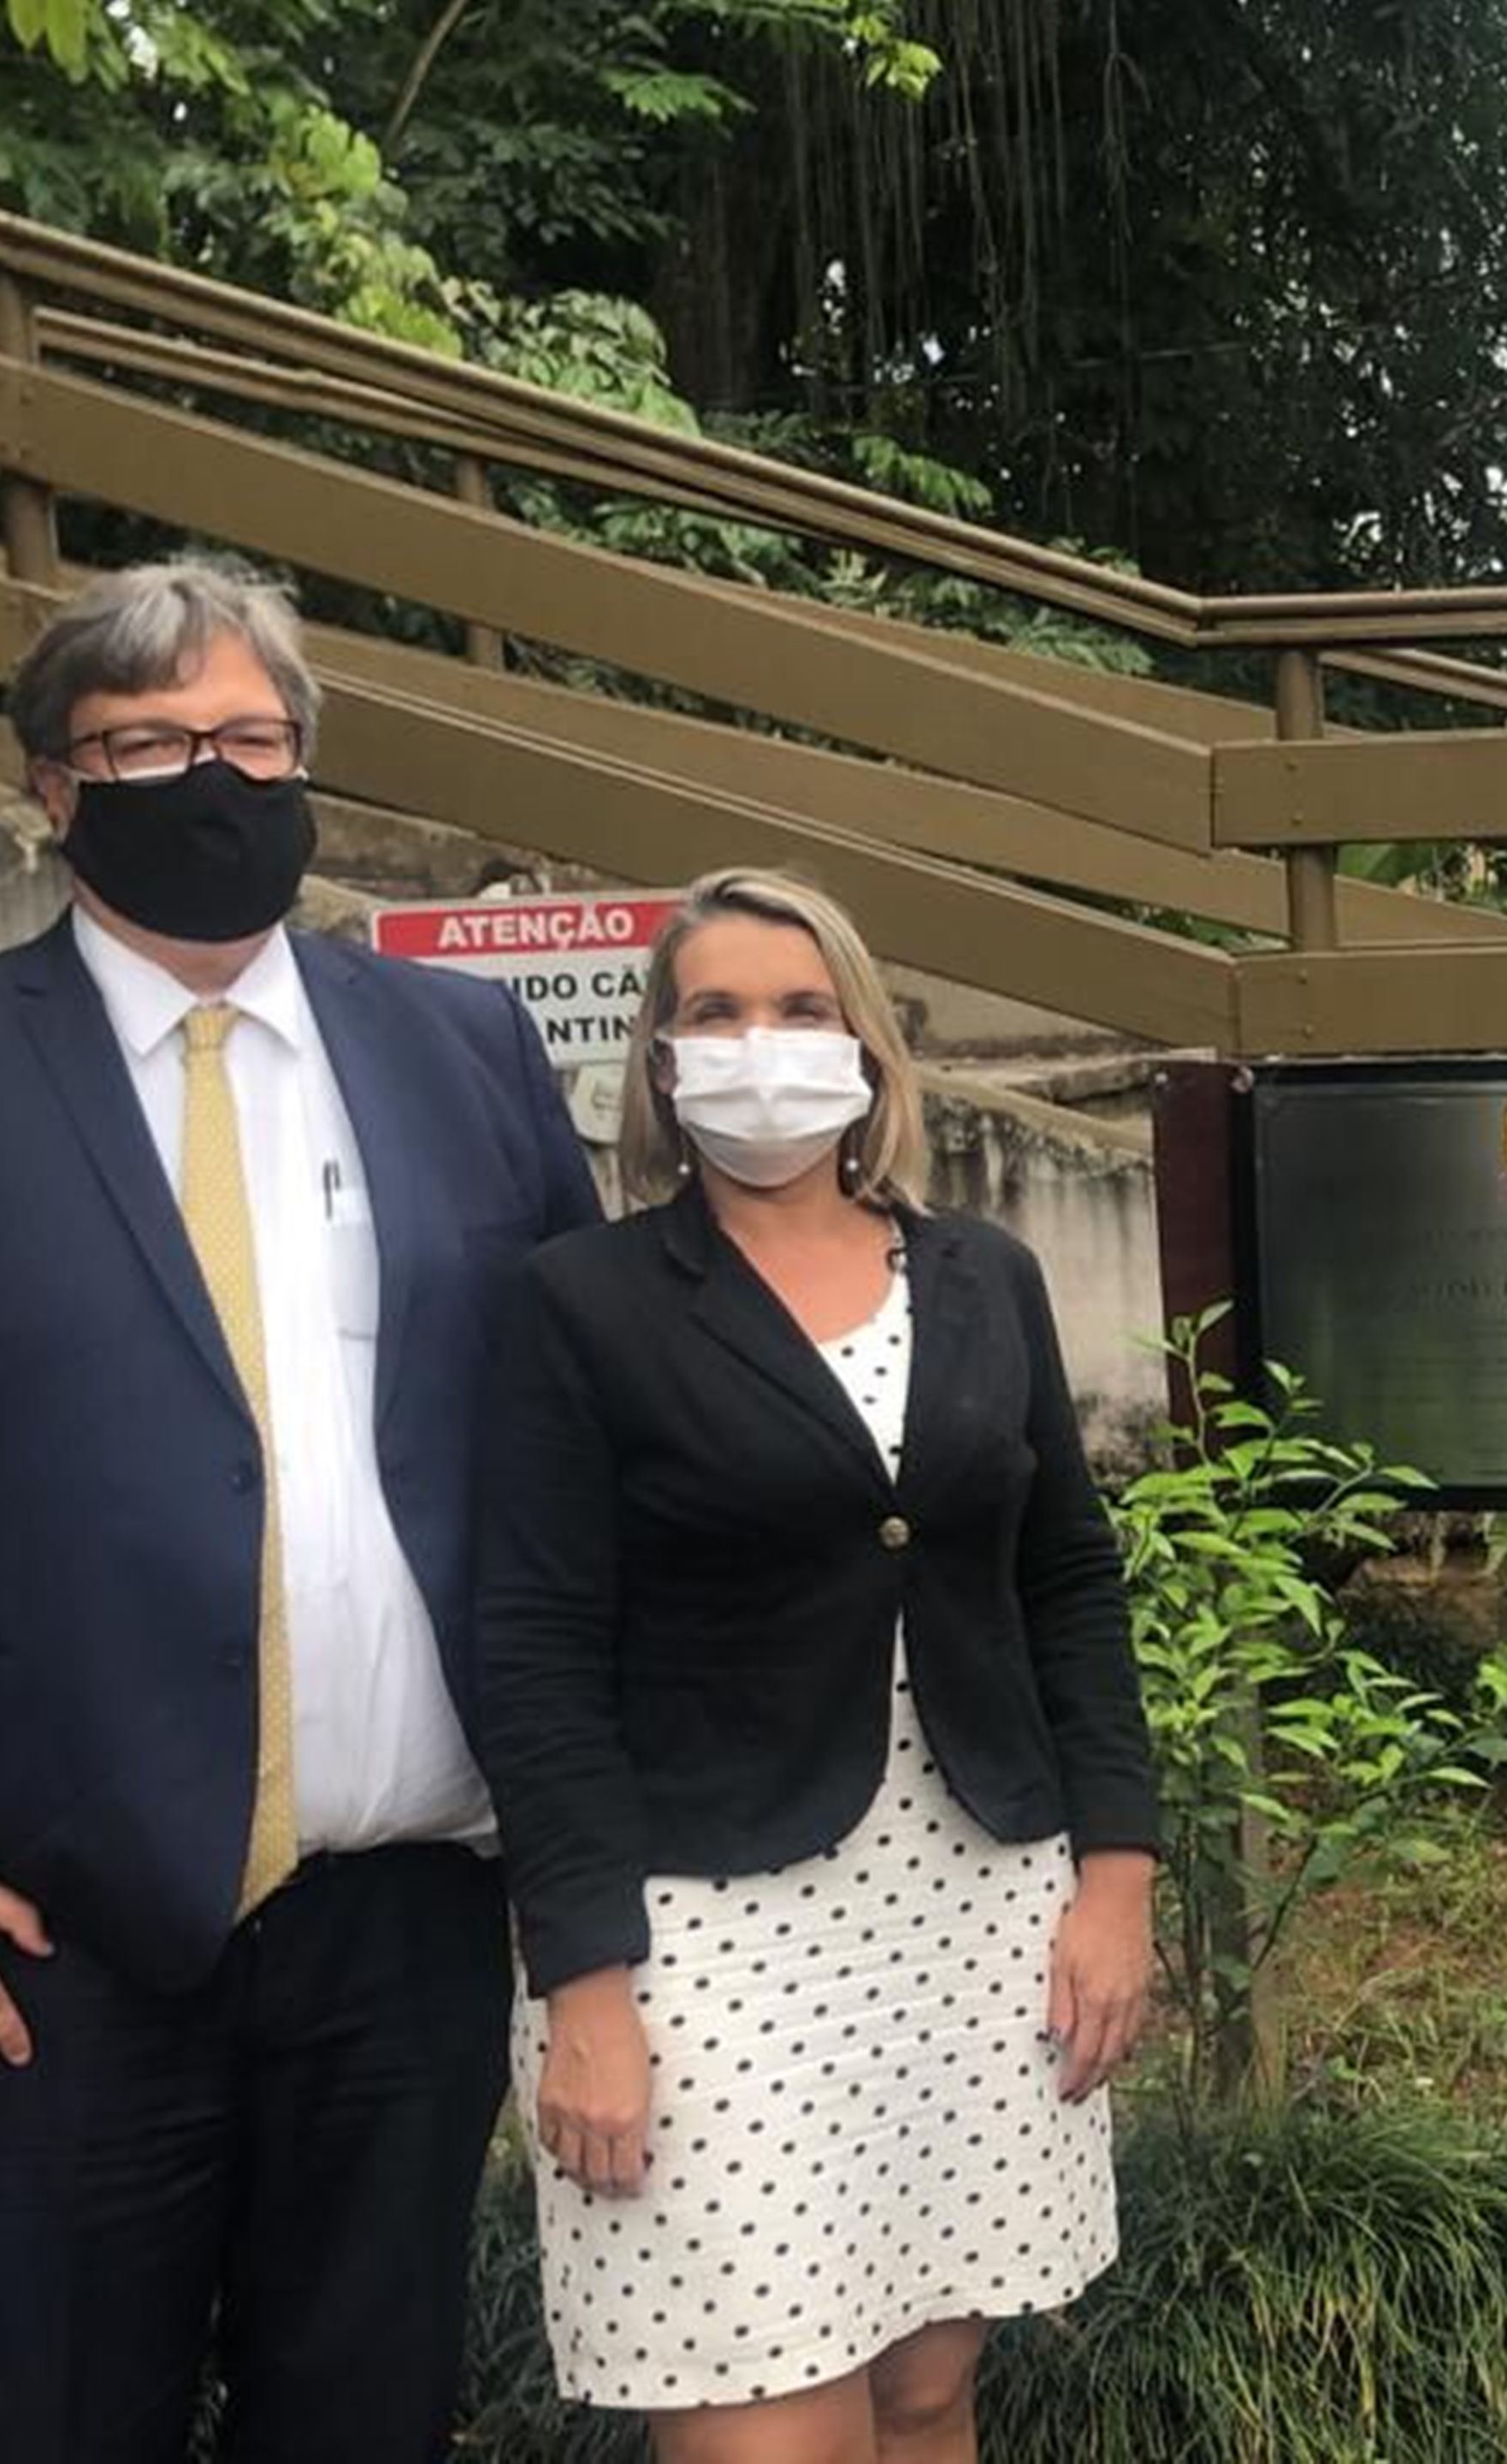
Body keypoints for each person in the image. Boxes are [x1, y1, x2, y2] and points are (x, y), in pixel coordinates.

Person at [0, 560, 603, 2460]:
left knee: (367, 2426)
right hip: (44, 1948)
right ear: (51, 785)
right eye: (152, 745)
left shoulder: (466, 1053)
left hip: (406, 1922)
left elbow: (573, 1437)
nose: (214, 778)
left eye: (254, 737)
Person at [472, 867, 1160, 2462]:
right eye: (714, 1013)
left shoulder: (987, 1277)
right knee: (770, 2431)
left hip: (975, 1908)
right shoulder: (582, 1304)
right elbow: (537, 1651)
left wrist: (1117, 1880)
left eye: (799, 1009)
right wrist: (583, 1986)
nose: (758, 1043)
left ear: (866, 1045)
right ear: (659, 1061)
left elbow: (1066, 1578)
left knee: (924, 2396)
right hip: (702, 1937)